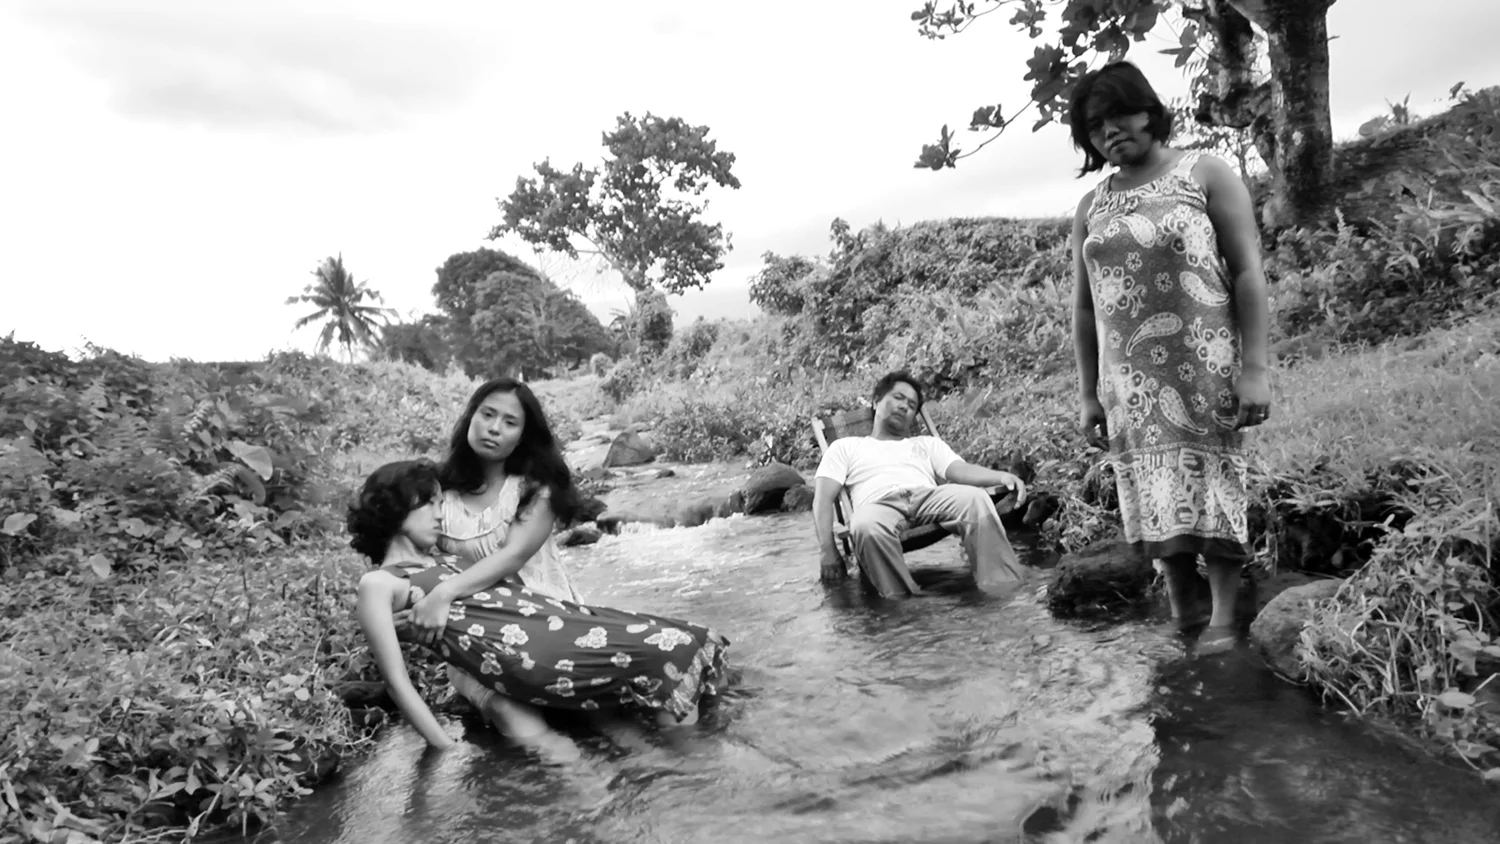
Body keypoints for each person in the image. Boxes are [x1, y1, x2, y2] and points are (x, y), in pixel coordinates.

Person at [1067, 61, 1271, 650]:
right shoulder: (1091, 206)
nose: (1111, 130)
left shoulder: (1203, 172)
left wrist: (1255, 369)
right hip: (1127, 383)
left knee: (1213, 482)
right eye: (1095, 124)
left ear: (1149, 111)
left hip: (1205, 366)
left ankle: (1226, 619)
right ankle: (1185, 609)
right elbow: (1084, 310)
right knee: (1154, 495)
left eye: (1121, 114)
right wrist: (1087, 392)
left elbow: (1248, 273)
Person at [350, 458, 730, 751]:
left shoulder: (443, 559)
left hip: (556, 627)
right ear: (396, 511)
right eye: (428, 504)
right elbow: (398, 683)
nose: (439, 513)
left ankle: (674, 782)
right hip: (531, 654)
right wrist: (443, 746)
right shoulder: (378, 583)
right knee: (676, 649)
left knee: (688, 638)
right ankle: (691, 767)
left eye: (439, 502)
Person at [813, 371, 1030, 598]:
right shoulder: (845, 447)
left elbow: (960, 470)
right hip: (878, 506)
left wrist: (1002, 477)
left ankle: (1004, 588)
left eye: (911, 404)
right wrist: (828, 550)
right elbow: (823, 499)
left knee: (976, 499)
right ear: (876, 401)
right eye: (898, 398)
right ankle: (903, 604)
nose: (905, 406)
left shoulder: (926, 444)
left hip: (928, 498)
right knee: (864, 526)